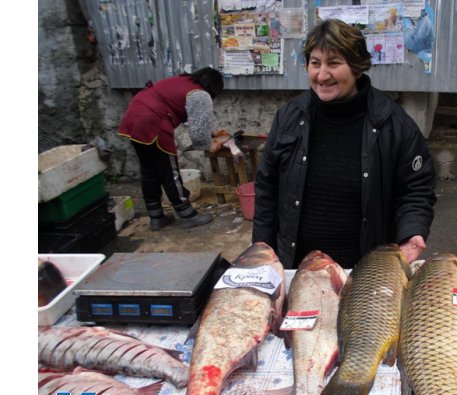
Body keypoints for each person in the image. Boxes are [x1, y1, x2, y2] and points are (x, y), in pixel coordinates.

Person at [253, 19, 437, 269]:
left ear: (357, 67)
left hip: (366, 271)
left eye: (334, 63)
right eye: (315, 63)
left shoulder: (393, 124)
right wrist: (261, 250)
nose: (322, 74)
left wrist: (412, 231)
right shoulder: (289, 117)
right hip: (299, 268)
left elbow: (416, 189)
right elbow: (267, 188)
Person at [118, 67, 224, 230]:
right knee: (170, 172)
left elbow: (193, 118)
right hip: (153, 124)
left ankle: (156, 217)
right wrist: (210, 145)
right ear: (214, 88)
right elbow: (198, 135)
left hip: (134, 117)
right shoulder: (200, 94)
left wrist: (211, 132)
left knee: (149, 170)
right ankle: (188, 215)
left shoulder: (183, 82)